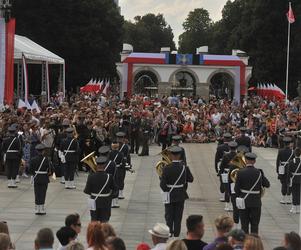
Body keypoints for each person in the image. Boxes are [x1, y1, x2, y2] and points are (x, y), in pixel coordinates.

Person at [160, 146, 194, 237]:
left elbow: (162, 185)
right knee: (178, 216)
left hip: (170, 194)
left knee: (169, 215)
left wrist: (167, 190)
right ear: (179, 155)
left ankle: (169, 232)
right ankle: (177, 234)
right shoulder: (184, 167)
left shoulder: (166, 168)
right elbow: (191, 179)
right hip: (180, 194)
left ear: (170, 155)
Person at [234, 152, 270, 234]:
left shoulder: (240, 172)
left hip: (244, 201)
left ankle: (245, 243)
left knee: (244, 225)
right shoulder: (259, 172)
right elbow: (267, 184)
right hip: (256, 202)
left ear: (246, 161)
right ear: (254, 162)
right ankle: (254, 242)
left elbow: (236, 190)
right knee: (255, 225)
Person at [84, 156, 118, 222]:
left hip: (94, 201)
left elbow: (87, 191)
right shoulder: (109, 176)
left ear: (96, 165)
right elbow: (115, 189)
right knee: (104, 221)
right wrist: (110, 197)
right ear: (105, 166)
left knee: (94, 220)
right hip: (105, 202)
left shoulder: (91, 176)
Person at [29, 143, 53, 215]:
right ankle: (41, 208)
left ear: (37, 151)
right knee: (43, 193)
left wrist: (34, 174)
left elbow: (30, 170)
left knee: (37, 193)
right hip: (44, 178)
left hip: (36, 177)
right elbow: (50, 170)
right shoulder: (47, 159)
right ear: (43, 151)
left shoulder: (33, 159)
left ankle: (37, 208)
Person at [219, 141, 238, 211]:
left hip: (227, 173)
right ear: (236, 148)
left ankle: (227, 205)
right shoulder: (238, 156)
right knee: (234, 190)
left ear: (229, 148)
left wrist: (220, 173)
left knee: (227, 189)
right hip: (236, 174)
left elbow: (221, 166)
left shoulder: (226, 156)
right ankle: (233, 205)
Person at [215, 133, 232, 201]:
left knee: (222, 181)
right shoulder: (233, 147)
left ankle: (222, 196)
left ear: (224, 138)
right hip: (231, 167)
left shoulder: (220, 147)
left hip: (222, 166)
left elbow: (216, 159)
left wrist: (216, 169)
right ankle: (228, 195)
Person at [276, 137, 293, 204]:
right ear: (289, 144)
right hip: (290, 169)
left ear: (284, 143)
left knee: (283, 183)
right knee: (289, 183)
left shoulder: (280, 151)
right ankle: (289, 199)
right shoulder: (292, 152)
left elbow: (278, 161)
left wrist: (277, 170)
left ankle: (283, 198)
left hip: (282, 169)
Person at [109, 141, 125, 208]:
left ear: (112, 147)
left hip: (111, 170)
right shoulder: (121, 154)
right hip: (118, 170)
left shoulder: (109, 153)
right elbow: (123, 163)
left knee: (111, 186)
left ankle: (111, 202)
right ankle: (115, 202)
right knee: (117, 185)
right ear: (118, 147)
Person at [288, 147, 301, 214]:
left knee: (294, 193)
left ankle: (293, 208)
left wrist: (289, 180)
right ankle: (298, 208)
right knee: (298, 193)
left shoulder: (291, 161)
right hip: (299, 179)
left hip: (293, 179)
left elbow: (289, 172)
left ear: (294, 153)